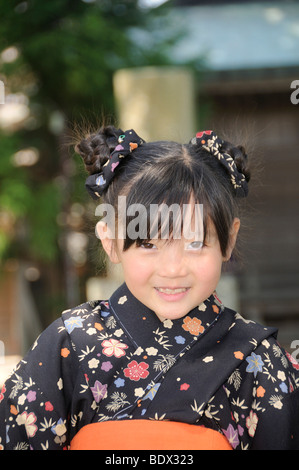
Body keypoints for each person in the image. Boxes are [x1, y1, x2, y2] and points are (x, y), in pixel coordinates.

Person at [0, 127, 298, 450]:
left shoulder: (258, 361)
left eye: (196, 242)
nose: (173, 269)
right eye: (148, 243)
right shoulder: (70, 346)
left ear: (228, 240)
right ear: (111, 242)